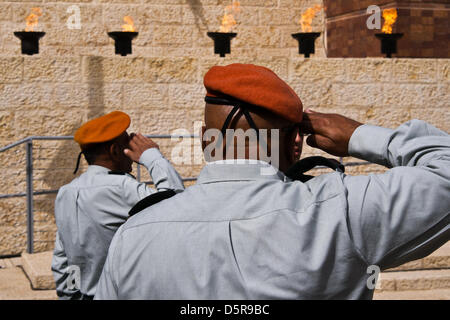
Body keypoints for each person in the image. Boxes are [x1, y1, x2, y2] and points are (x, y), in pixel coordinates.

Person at [95, 64, 449, 299]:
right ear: (296, 142)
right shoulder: (340, 212)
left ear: (205, 139)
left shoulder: (134, 234)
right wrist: (358, 135)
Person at [51, 111, 184, 299]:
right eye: (126, 143)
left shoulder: (66, 193)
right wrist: (153, 157)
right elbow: (177, 206)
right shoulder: (121, 187)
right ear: (114, 151)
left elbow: (65, 258)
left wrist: (71, 294)